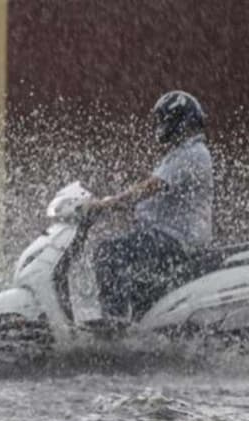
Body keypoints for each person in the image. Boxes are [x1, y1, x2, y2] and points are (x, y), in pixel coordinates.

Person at [88, 90, 213, 321]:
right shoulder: (182, 153)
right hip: (170, 237)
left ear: (177, 120)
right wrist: (116, 208)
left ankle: (112, 324)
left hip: (175, 240)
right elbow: (154, 199)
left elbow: (149, 188)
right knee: (138, 284)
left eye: (164, 119)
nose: (161, 125)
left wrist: (105, 205)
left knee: (108, 252)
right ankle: (137, 333)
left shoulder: (191, 154)